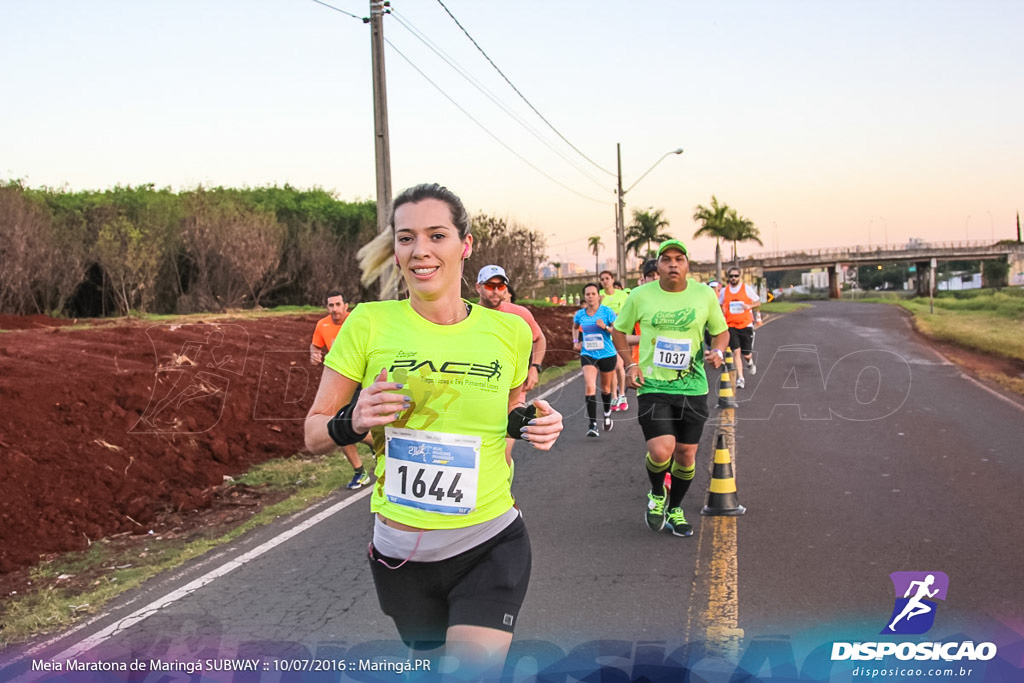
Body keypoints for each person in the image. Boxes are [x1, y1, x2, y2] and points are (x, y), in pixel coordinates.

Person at [304, 183, 563, 679]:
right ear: (395, 250)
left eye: (436, 235)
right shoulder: (368, 324)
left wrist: (537, 422)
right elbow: (314, 432)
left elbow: (507, 415)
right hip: (401, 560)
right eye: (406, 238)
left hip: (490, 542)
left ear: (464, 245)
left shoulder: (506, 332)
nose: (420, 250)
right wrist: (354, 420)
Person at [611, 239, 729, 538]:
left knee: (686, 454)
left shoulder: (704, 295)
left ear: (688, 265)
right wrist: (630, 365)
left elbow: (721, 332)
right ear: (658, 266)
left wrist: (718, 350)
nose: (673, 264)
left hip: (693, 386)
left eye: (679, 259)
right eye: (666, 259)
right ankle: (656, 493)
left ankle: (675, 508)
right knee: (661, 450)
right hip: (653, 384)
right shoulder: (640, 295)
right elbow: (619, 331)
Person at [475, 265, 548, 472]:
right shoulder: (467, 315)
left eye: (501, 285)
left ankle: (504, 498)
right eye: (490, 285)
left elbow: (539, 338)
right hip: (479, 391)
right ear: (477, 288)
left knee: (502, 452)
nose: (496, 290)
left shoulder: (519, 314)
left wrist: (534, 367)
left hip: (512, 392)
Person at [309, 290, 371, 490]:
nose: (334, 309)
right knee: (339, 424)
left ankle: (380, 445)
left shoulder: (358, 321)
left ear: (346, 306)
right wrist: (314, 355)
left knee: (362, 422)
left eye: (338, 304)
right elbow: (315, 346)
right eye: (331, 305)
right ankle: (360, 472)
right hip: (342, 381)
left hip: (365, 379)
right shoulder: (322, 325)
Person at [572, 283, 618, 437]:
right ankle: (592, 424)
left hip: (607, 354)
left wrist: (605, 327)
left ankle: (606, 413)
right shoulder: (580, 314)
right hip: (588, 354)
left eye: (593, 294)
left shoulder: (607, 312)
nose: (590, 297)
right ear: (584, 297)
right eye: (587, 294)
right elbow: (574, 327)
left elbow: (618, 331)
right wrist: (575, 342)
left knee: (605, 388)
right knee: (590, 386)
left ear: (599, 296)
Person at [719, 266, 761, 389]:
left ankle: (750, 362)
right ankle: (740, 379)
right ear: (728, 277)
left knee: (746, 354)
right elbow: (720, 304)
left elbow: (758, 301)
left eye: (736, 276)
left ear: (739, 276)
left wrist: (749, 306)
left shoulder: (746, 289)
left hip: (745, 325)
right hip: (731, 325)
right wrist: (722, 313)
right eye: (731, 276)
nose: (733, 278)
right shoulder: (724, 291)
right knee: (736, 352)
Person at [598, 270, 629, 412]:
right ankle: (615, 396)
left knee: (619, 366)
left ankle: (622, 394)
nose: (605, 281)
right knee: (611, 368)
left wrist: (615, 317)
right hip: (604, 336)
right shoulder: (599, 297)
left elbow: (627, 313)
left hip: (619, 334)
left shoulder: (622, 296)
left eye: (607, 278)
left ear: (612, 279)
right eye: (602, 279)